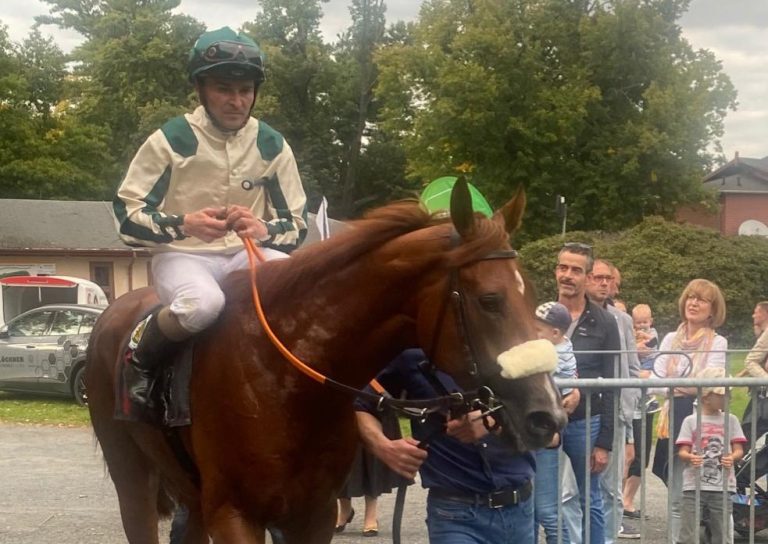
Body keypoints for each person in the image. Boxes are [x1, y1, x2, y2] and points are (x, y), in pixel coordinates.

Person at [113, 27, 307, 410]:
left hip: (243, 253)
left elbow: (297, 226)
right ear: (200, 89)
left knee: (297, 290)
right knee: (203, 305)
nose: (237, 101)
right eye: (224, 88)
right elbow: (126, 217)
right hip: (182, 256)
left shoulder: (272, 144)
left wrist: (262, 228)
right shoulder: (169, 139)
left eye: (245, 90)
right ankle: (139, 360)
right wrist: (184, 224)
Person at [355, 349, 537, 544]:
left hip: (520, 512)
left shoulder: (518, 349)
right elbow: (361, 403)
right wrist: (383, 446)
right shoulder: (413, 357)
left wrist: (494, 423)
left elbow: (551, 434)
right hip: (455, 514)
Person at [648, 279, 727, 543]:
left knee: (696, 496)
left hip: (699, 424)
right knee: (676, 495)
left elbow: (709, 383)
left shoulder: (719, 342)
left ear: (712, 310)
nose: (693, 303)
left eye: (701, 300)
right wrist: (685, 384)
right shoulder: (671, 338)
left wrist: (676, 384)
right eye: (691, 297)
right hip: (672, 418)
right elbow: (657, 382)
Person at [555, 243, 621, 544]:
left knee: (589, 498)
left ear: (587, 276)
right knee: (541, 502)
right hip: (544, 422)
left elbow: (612, 383)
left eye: (576, 270)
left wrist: (604, 441)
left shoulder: (606, 321)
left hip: (586, 423)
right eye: (562, 267)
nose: (567, 275)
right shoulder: (539, 316)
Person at [585, 260, 641, 541]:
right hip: (576, 414)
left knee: (610, 489)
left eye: (608, 278)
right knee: (570, 490)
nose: (604, 283)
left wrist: (627, 422)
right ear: (586, 280)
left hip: (614, 415)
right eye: (597, 277)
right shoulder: (567, 316)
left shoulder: (624, 320)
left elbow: (632, 370)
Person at [676, 366, 746, 544]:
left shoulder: (731, 419)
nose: (727, 397)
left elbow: (739, 449)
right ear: (706, 397)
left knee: (722, 530)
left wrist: (732, 456)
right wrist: (690, 456)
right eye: (723, 394)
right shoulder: (690, 421)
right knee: (688, 530)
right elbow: (682, 451)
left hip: (723, 486)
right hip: (693, 484)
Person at [532, 301, 580, 544]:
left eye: (538, 329)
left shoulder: (554, 356)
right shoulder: (557, 347)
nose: (532, 333)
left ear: (555, 333)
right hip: (531, 436)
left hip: (546, 436)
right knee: (528, 512)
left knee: (546, 511)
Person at [336, 408, 407, 537]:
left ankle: (371, 514)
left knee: (369, 455)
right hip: (340, 399)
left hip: (372, 400)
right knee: (339, 456)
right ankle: (345, 509)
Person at [622, 303, 661, 522]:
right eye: (638, 322)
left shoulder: (654, 337)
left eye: (645, 321)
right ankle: (618, 500)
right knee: (626, 456)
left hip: (647, 404)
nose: (642, 326)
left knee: (642, 456)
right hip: (628, 405)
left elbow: (659, 368)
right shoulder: (628, 338)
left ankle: (628, 501)